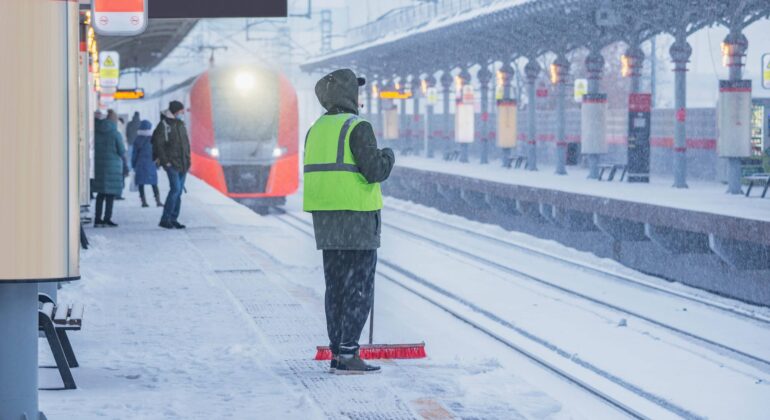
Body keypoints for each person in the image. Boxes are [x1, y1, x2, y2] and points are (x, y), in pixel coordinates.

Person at [303, 69, 395, 374]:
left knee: (336, 287)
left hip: (326, 221)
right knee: (359, 287)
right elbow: (374, 171)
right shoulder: (358, 126)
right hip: (356, 219)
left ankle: (337, 351)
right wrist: (388, 156)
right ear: (348, 94)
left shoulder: (316, 129)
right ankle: (349, 353)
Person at [152, 100, 191, 229]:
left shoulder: (180, 124)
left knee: (178, 192)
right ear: (175, 112)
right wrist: (166, 162)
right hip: (172, 164)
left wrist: (188, 159)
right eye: (180, 111)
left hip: (183, 164)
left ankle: (173, 218)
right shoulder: (164, 125)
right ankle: (165, 218)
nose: (182, 113)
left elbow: (186, 144)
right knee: (175, 190)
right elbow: (159, 145)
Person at [93, 110, 128, 227]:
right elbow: (122, 151)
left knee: (100, 194)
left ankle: (97, 220)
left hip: (98, 165)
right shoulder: (115, 133)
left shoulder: (96, 131)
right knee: (110, 195)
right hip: (112, 166)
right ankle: (107, 219)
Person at [131, 120, 163, 208]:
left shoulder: (137, 139)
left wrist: (133, 165)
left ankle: (143, 201)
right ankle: (158, 201)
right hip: (151, 164)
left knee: (141, 183)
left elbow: (134, 154)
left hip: (140, 164)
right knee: (154, 183)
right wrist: (158, 164)